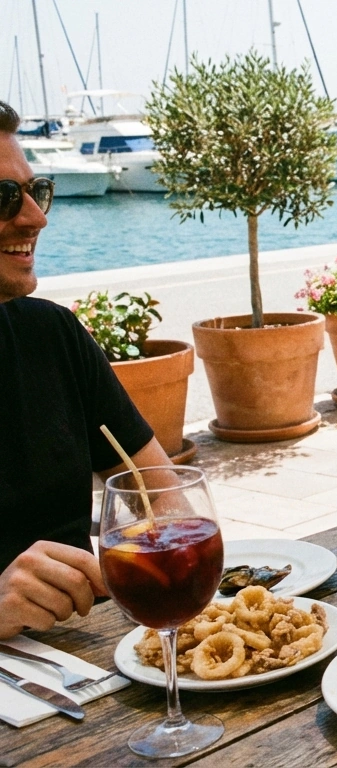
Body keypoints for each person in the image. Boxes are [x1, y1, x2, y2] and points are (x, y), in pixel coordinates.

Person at [0, 99, 169, 639]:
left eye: (36, 191)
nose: (36, 217)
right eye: (4, 198)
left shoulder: (52, 335)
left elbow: (163, 494)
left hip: (88, 649)